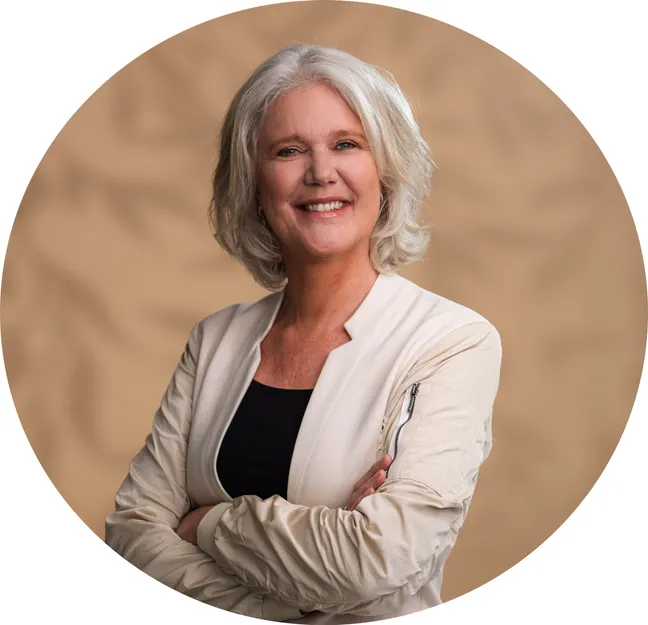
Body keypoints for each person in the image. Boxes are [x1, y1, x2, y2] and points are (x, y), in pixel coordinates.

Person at [105, 43, 502, 624]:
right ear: (253, 183)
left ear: (386, 172)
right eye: (289, 150)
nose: (320, 173)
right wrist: (303, 590)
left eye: (346, 144)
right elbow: (131, 535)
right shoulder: (215, 340)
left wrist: (209, 523)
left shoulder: (451, 342)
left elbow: (379, 560)